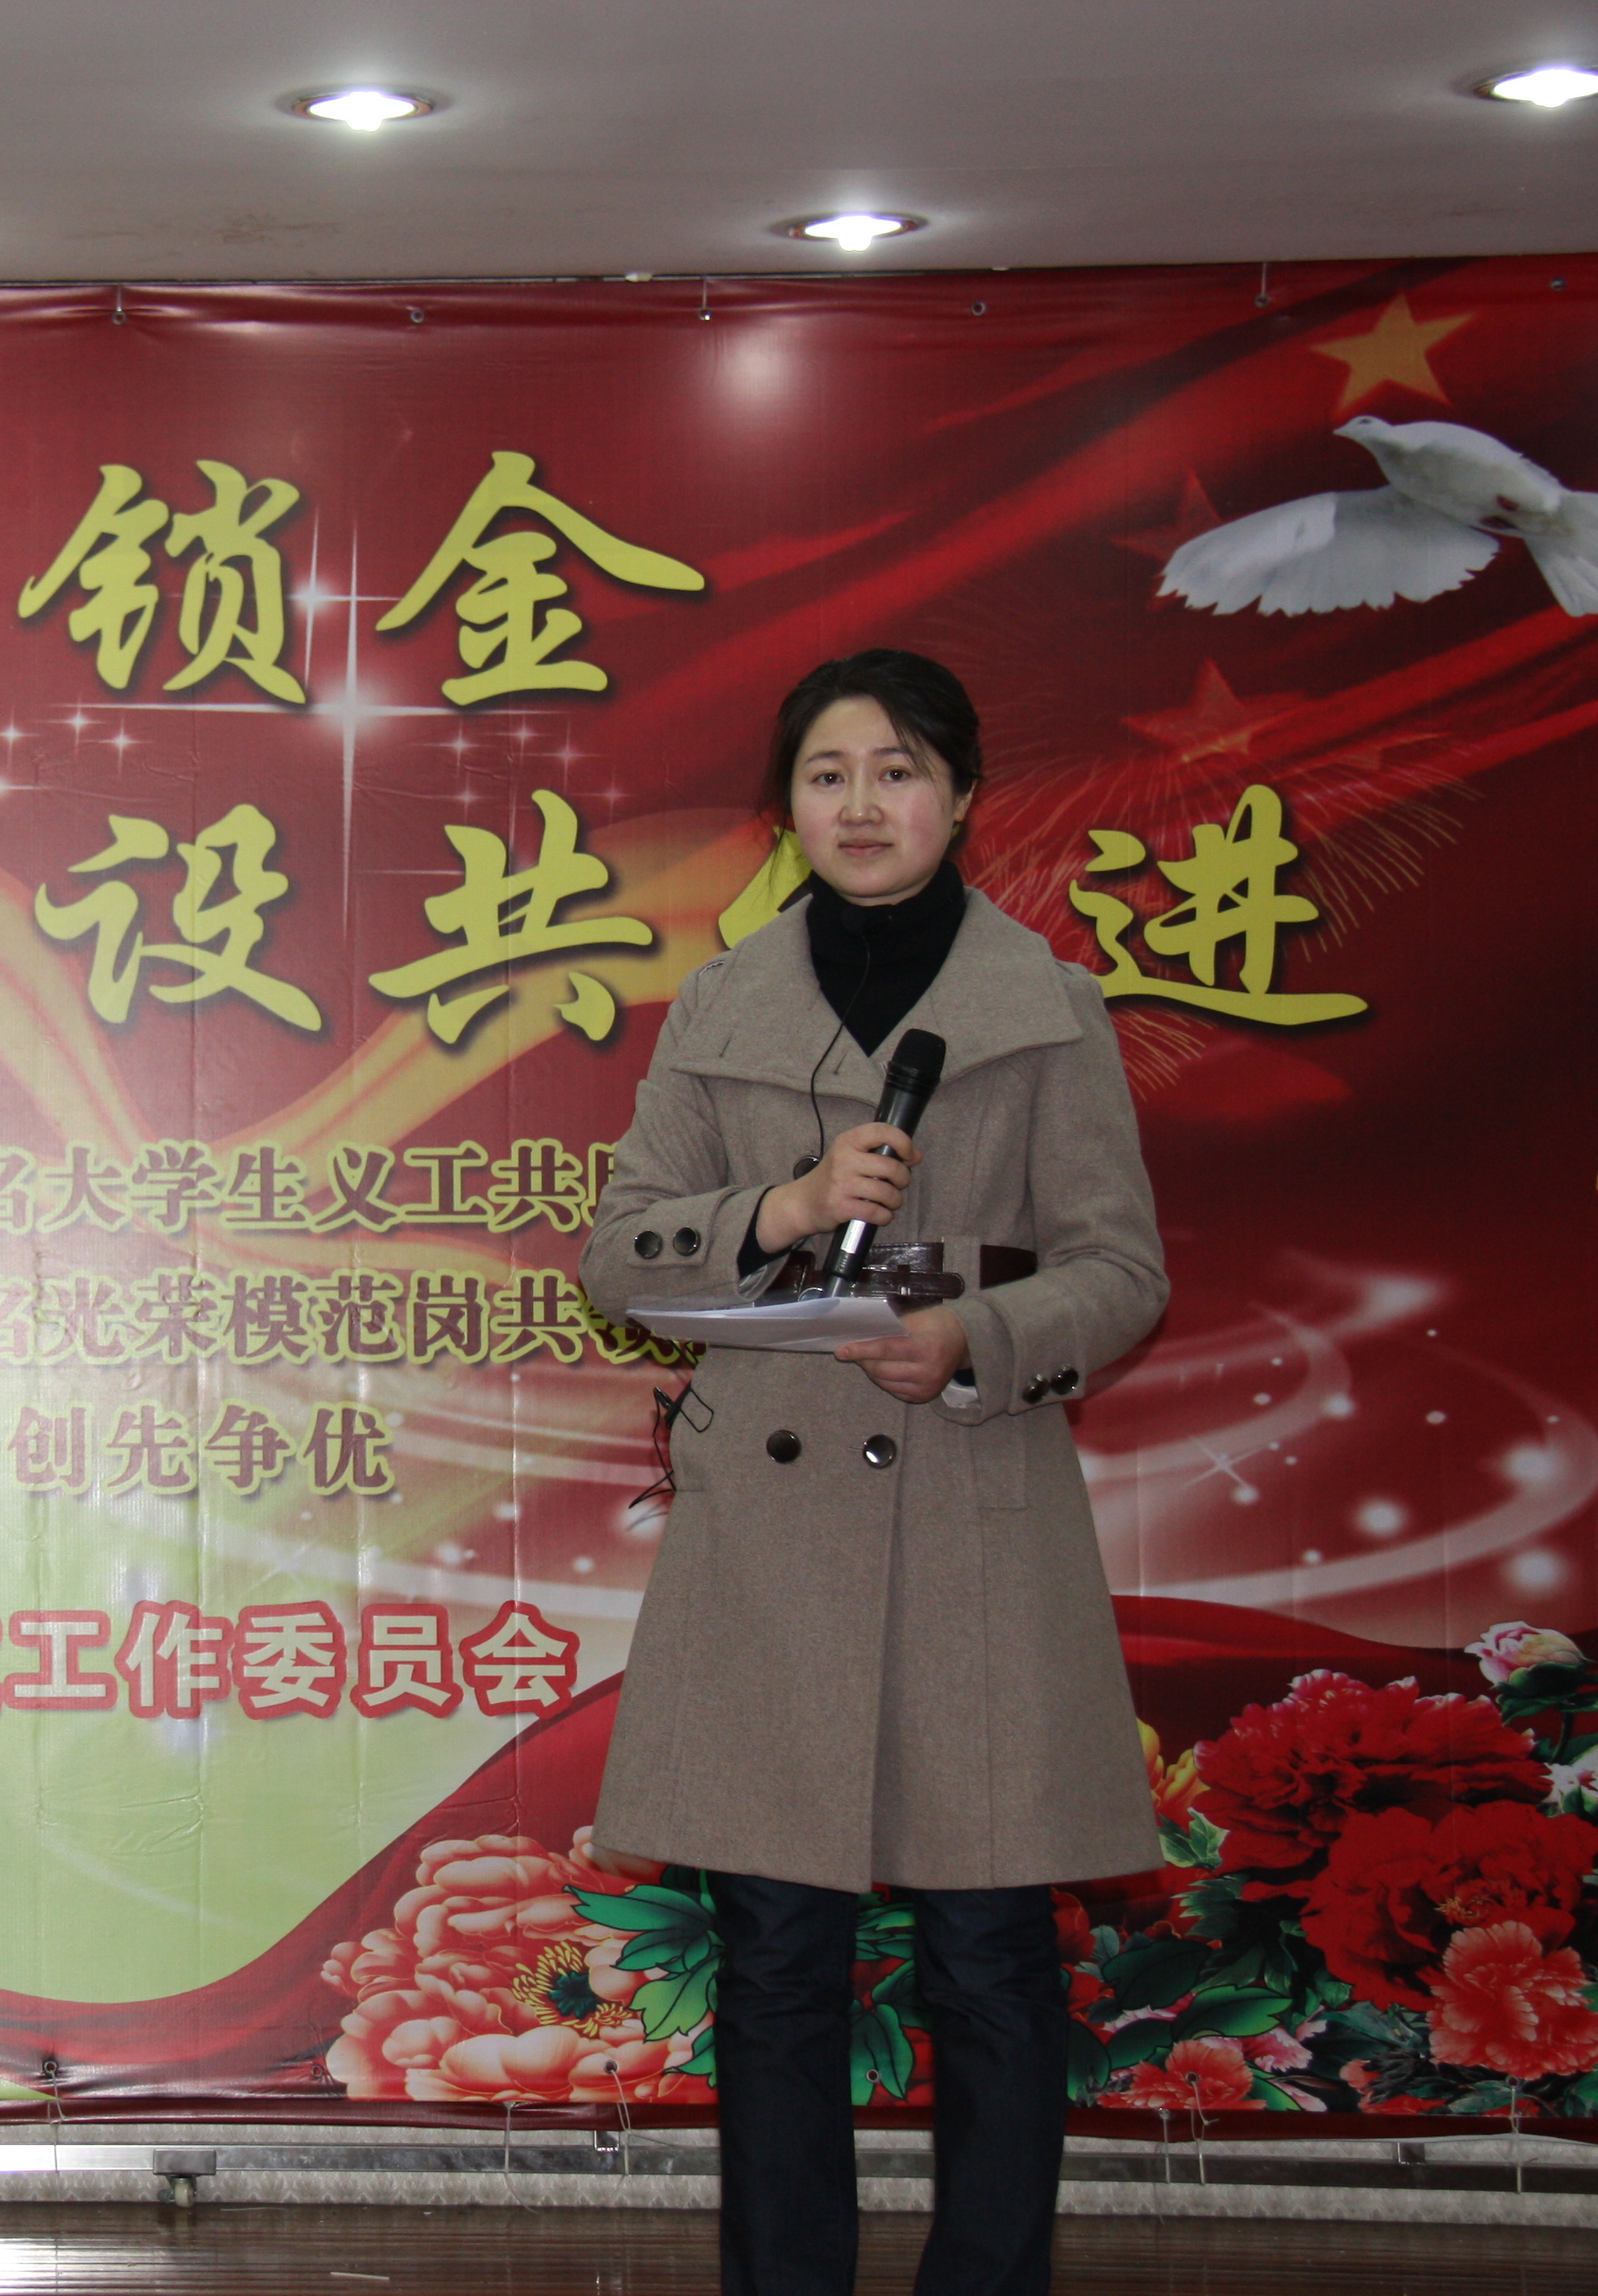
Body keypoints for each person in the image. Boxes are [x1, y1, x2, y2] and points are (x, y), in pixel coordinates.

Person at [579, 650, 1167, 2296]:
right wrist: (781, 1206)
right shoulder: (723, 1005)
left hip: (975, 1511)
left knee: (989, 1957)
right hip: (775, 1540)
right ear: (789, 808)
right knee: (777, 1956)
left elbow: (1122, 1271)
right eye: (828, 774)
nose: (861, 804)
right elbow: (620, 1257)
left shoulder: (1045, 1005)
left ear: (962, 797)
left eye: (897, 771)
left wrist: (977, 1334)